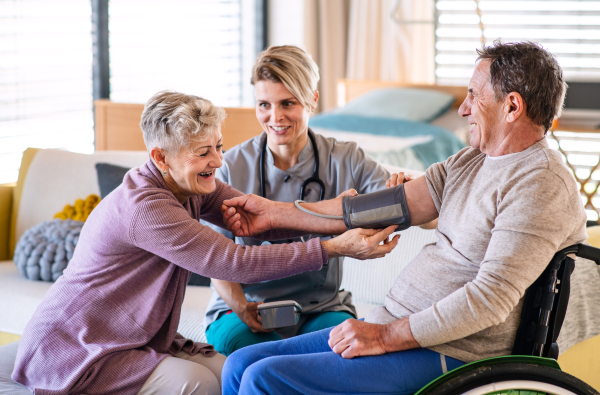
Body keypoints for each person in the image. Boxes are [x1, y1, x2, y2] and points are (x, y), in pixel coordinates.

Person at [219, 41, 588, 394]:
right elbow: (368, 210)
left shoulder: (540, 183)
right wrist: (271, 213)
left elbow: (488, 299)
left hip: (452, 351)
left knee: (265, 379)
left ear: (512, 106)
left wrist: (383, 336)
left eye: (473, 95)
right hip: (396, 325)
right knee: (240, 365)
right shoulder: (470, 161)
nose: (463, 108)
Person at [11, 91, 399, 395]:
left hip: (129, 335)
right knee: (203, 384)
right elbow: (233, 263)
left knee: (236, 368)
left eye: (219, 145)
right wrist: (334, 247)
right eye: (203, 152)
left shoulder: (192, 185)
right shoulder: (146, 206)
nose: (217, 159)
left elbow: (263, 218)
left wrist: (339, 216)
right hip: (83, 342)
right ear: (161, 157)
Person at [204, 45, 392, 356]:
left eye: (287, 103)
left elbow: (403, 205)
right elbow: (213, 258)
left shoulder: (346, 159)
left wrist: (405, 192)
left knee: (339, 353)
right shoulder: (229, 167)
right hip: (244, 306)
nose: (275, 117)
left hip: (321, 307)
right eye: (264, 104)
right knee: (252, 356)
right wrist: (242, 308)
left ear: (312, 99)